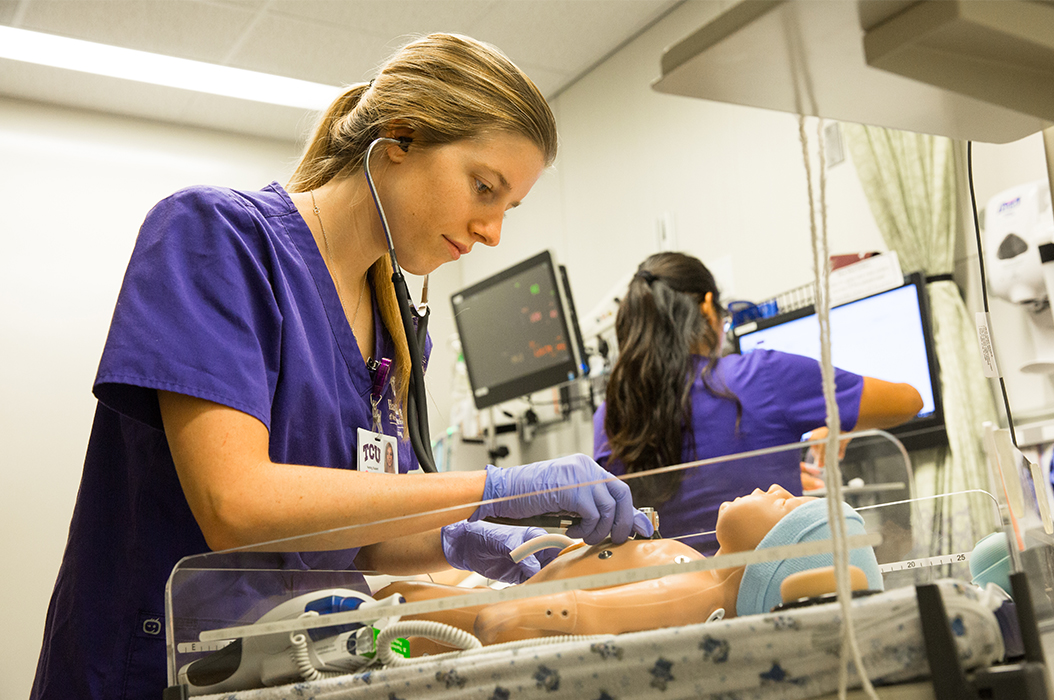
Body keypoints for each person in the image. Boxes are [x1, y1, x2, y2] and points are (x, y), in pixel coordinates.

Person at [31, 34, 650, 700]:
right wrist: (493, 487)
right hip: (159, 672)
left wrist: (470, 538)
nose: (492, 231)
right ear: (400, 138)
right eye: (483, 187)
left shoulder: (397, 333)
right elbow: (233, 503)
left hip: (305, 672)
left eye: (508, 207)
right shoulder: (217, 239)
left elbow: (364, 541)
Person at [593, 252, 924, 553]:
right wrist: (839, 419)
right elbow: (908, 400)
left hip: (675, 603)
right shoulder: (764, 374)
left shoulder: (612, 415)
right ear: (708, 308)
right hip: (777, 594)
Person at [373, 484, 881, 649]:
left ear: (774, 560)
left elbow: (563, 618)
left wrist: (513, 610)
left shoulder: (695, 590)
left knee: (390, 607)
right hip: (499, 600)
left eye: (790, 505)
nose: (776, 488)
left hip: (465, 627)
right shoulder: (695, 567)